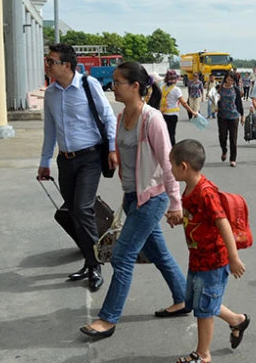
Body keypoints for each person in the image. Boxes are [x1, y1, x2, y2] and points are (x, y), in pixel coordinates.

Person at [80, 61, 187, 339]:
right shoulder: (121, 116)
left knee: (122, 256)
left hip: (151, 198)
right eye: (113, 82)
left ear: (136, 86)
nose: (112, 87)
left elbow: (167, 162)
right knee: (159, 254)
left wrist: (176, 203)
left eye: (117, 82)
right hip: (131, 196)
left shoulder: (152, 118)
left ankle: (108, 318)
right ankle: (184, 298)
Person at [37, 43, 117, 291]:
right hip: (66, 160)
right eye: (47, 60)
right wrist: (44, 162)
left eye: (51, 61)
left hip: (90, 157)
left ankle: (95, 265)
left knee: (83, 208)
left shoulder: (88, 85)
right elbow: (50, 130)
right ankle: (88, 260)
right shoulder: (50, 93)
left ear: (67, 65)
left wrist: (113, 148)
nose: (47, 65)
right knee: (74, 211)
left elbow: (108, 117)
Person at [170, 139, 249, 363]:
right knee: (201, 302)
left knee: (204, 309)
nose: (170, 170)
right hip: (198, 258)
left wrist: (233, 258)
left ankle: (203, 354)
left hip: (214, 261)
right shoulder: (189, 189)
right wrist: (179, 219)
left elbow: (222, 223)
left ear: (183, 167)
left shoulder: (205, 193)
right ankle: (237, 320)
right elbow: (196, 218)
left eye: (171, 165)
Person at [161, 69, 197, 146]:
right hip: (173, 114)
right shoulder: (176, 89)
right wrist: (192, 111)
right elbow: (183, 102)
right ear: (175, 80)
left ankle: (165, 148)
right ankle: (171, 150)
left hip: (163, 113)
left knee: (166, 133)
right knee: (171, 133)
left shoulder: (163, 87)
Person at [216, 72, 245, 168]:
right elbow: (213, 98)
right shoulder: (219, 88)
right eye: (228, 80)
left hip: (234, 116)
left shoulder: (235, 90)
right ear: (225, 79)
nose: (230, 82)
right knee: (222, 136)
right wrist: (216, 105)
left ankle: (233, 159)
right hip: (222, 116)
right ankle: (224, 150)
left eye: (232, 80)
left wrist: (242, 115)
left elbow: (239, 103)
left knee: (233, 138)